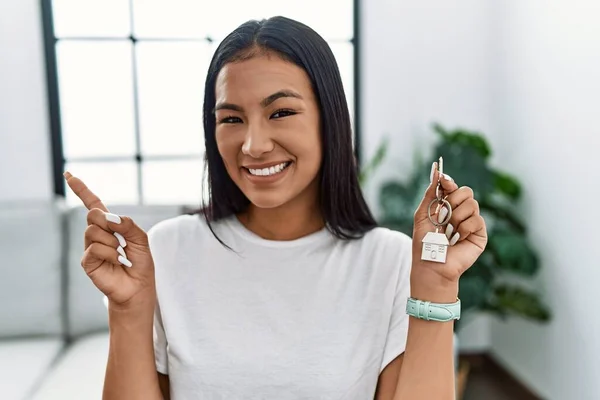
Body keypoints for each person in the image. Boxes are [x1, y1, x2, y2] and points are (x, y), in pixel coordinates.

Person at [64, 16, 487, 400]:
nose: (253, 145)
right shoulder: (169, 251)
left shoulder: (390, 260)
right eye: (231, 119)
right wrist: (127, 309)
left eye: (281, 112)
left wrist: (434, 282)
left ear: (329, 118)